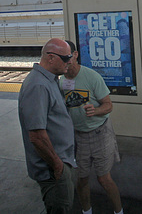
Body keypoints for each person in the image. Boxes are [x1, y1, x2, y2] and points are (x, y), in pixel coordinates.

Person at [60, 40, 123, 214]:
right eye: (62, 57)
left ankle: (119, 211)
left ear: (76, 55)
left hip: (100, 133)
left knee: (104, 179)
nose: (66, 61)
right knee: (81, 179)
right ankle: (86, 211)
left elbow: (108, 105)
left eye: (68, 56)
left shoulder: (92, 77)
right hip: (78, 137)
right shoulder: (61, 81)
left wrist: (95, 111)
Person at [18, 38, 76, 214]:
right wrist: (58, 166)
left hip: (58, 162)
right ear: (51, 58)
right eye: (66, 58)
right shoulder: (38, 86)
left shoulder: (50, 79)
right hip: (52, 170)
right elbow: (36, 135)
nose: (70, 62)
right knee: (60, 207)